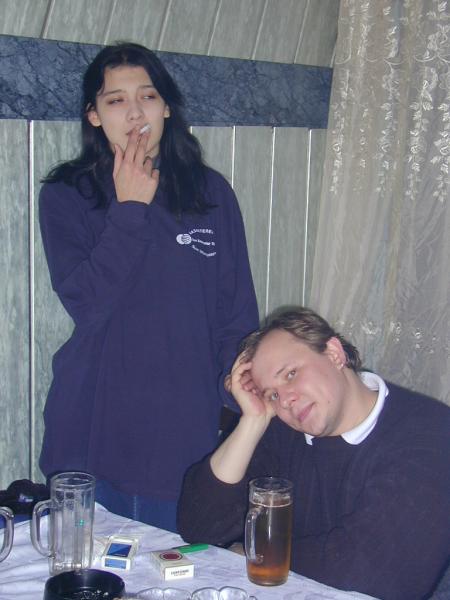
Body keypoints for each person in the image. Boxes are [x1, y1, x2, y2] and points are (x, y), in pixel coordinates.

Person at [38, 42, 259, 532]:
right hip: (93, 430)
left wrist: (237, 388)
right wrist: (130, 209)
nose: (135, 112)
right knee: (87, 567)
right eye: (116, 100)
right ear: (94, 115)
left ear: (167, 108)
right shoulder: (67, 194)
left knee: (175, 567)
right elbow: (87, 304)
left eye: (148, 96)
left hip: (182, 433)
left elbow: (236, 313)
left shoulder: (210, 193)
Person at [177, 307, 450, 599]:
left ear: (334, 353)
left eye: (291, 374)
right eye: (272, 394)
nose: (286, 400)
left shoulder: (431, 433)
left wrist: (252, 553)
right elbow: (200, 526)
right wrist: (252, 422)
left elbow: (369, 571)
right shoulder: (282, 429)